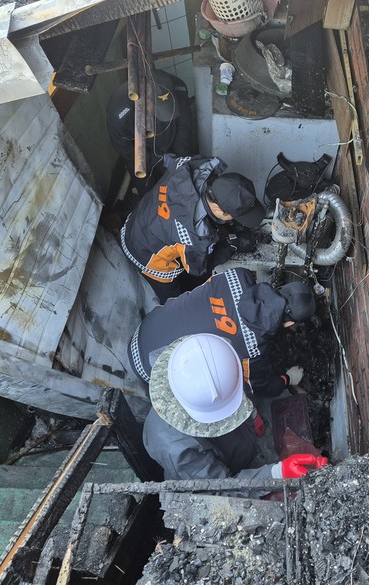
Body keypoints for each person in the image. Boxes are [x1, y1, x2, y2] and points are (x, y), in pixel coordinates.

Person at [142, 334, 327, 481]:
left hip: (236, 441)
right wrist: (276, 473)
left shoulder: (207, 353)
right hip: (224, 467)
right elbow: (221, 488)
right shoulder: (178, 451)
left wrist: (252, 414)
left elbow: (234, 383)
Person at [128, 267, 316, 396]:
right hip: (150, 368)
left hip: (148, 326)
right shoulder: (253, 347)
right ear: (289, 324)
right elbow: (258, 385)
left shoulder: (238, 276)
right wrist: (287, 378)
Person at [120, 154, 266, 303]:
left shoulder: (193, 166)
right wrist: (231, 246)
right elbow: (198, 269)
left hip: (140, 218)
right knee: (178, 303)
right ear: (217, 208)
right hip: (143, 252)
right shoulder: (194, 235)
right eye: (235, 216)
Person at [106, 69, 194, 187]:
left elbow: (184, 126)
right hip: (139, 154)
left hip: (170, 141)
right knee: (147, 188)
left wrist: (181, 156)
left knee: (179, 181)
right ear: (144, 103)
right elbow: (124, 149)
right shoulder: (119, 110)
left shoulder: (178, 87)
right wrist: (159, 159)